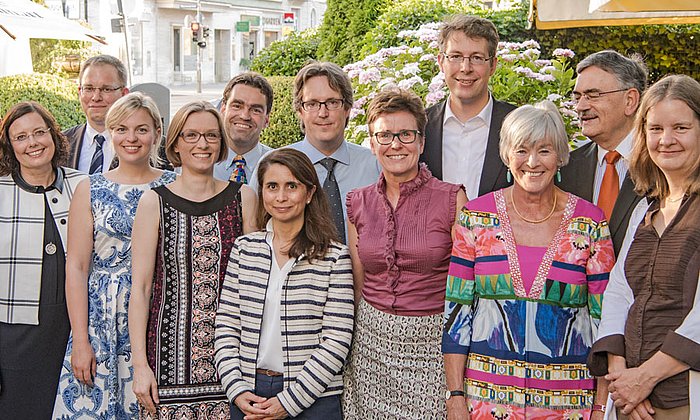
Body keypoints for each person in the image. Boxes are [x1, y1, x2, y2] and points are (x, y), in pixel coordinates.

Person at [442, 101, 615, 419]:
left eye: (545, 150)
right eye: (521, 150)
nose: (532, 162)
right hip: (486, 402)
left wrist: (601, 406)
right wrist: (455, 397)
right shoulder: (476, 218)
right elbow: (457, 314)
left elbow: (606, 323)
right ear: (507, 155)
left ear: (561, 156)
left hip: (569, 404)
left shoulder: (590, 223)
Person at [342, 89, 467, 418]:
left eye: (405, 134)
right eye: (384, 135)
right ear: (372, 143)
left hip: (432, 346)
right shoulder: (357, 201)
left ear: (421, 142)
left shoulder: (452, 199)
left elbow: (467, 291)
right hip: (371, 347)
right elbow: (358, 280)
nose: (395, 144)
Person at [128, 101, 257, 418]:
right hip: (166, 361)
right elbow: (142, 288)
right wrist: (140, 364)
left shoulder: (244, 197)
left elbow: (256, 284)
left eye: (212, 136)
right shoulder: (153, 201)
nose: (203, 144)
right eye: (192, 135)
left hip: (232, 361)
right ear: (175, 143)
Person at [52, 92, 176, 419]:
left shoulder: (174, 186)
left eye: (141, 129)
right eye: (121, 129)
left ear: (157, 133)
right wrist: (81, 340)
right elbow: (77, 267)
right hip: (100, 320)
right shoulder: (90, 188)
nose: (131, 138)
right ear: (110, 133)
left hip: (158, 311)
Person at [588, 74, 700, 420]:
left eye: (681, 128)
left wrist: (646, 377)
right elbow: (619, 291)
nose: (666, 140)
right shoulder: (645, 208)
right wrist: (623, 377)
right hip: (632, 399)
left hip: (684, 394)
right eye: (655, 129)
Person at [215, 148, 355, 419]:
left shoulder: (334, 257)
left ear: (310, 193)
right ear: (262, 192)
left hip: (314, 397)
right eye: (272, 186)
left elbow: (337, 339)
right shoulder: (245, 249)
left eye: (292, 186)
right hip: (249, 395)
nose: (281, 197)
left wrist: (289, 402)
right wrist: (236, 388)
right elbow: (227, 325)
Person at [0, 101, 87, 418]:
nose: (33, 142)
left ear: (54, 135)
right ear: (10, 145)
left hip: (74, 333)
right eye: (21, 137)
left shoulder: (84, 186)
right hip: (13, 341)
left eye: (39, 132)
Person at [253, 61, 381, 244]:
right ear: (300, 111)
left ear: (347, 109)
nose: (323, 113)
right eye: (312, 104)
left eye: (332, 102)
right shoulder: (273, 166)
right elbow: (255, 227)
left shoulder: (375, 165)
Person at [559, 50, 647, 256]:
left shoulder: (660, 164)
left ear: (630, 100)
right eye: (577, 96)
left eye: (593, 95)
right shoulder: (567, 168)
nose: (580, 107)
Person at [421, 14, 516, 200]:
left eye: (477, 58)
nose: (465, 68)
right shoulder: (420, 127)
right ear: (441, 62)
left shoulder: (517, 124)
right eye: (455, 56)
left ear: (493, 65)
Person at [64, 55, 130, 174]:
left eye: (106, 89)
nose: (96, 97)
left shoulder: (147, 144)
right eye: (89, 89)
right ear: (80, 92)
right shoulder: (61, 143)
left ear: (124, 94)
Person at [213, 71, 273, 184]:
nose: (245, 116)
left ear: (266, 120)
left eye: (255, 110)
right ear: (223, 110)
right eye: (237, 106)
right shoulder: (198, 162)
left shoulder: (279, 166)